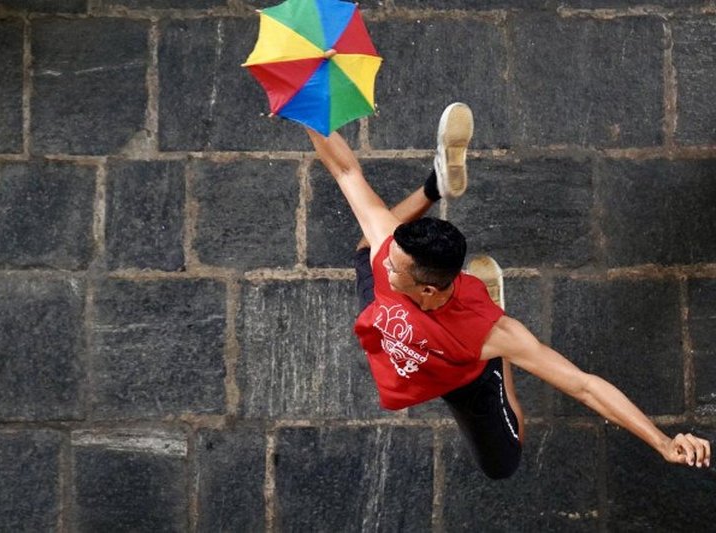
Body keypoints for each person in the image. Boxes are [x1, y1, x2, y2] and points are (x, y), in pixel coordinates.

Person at [304, 103, 711, 479]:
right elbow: (345, 171)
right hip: (389, 322)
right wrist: (305, 102)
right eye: (391, 255)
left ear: (428, 288)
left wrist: (663, 442)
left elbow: (584, 385)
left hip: (461, 371)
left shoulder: (491, 334)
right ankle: (435, 187)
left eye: (395, 267)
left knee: (503, 462)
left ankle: (499, 365)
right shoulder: (389, 253)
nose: (386, 261)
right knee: (365, 249)